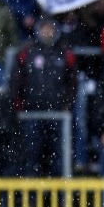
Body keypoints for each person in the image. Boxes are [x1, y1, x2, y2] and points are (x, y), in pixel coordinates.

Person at [9, 16, 76, 177]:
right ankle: (31, 199)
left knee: (59, 158)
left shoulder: (64, 53)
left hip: (58, 114)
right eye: (44, 28)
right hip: (32, 114)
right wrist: (19, 106)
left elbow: (73, 83)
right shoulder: (27, 52)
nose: (47, 32)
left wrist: (67, 104)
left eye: (50, 28)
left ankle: (61, 199)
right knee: (31, 156)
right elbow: (16, 80)